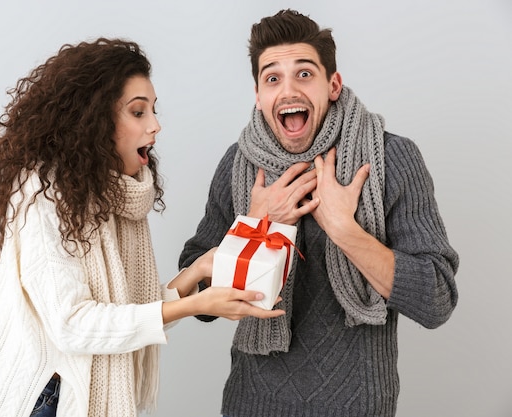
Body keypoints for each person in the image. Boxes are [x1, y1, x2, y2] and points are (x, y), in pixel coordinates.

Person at [0, 38, 285, 417]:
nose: (156, 126)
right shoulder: (41, 192)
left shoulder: (111, 194)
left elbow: (125, 316)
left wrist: (197, 274)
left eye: (153, 110)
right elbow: (74, 324)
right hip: (41, 402)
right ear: (93, 118)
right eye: (138, 112)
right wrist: (195, 304)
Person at [179, 9, 459, 417]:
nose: (288, 90)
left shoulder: (392, 158)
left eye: (304, 74)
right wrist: (255, 228)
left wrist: (345, 229)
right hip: (251, 404)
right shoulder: (239, 165)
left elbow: (436, 300)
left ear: (333, 84)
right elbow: (196, 294)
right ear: (259, 95)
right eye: (273, 78)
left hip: (358, 407)